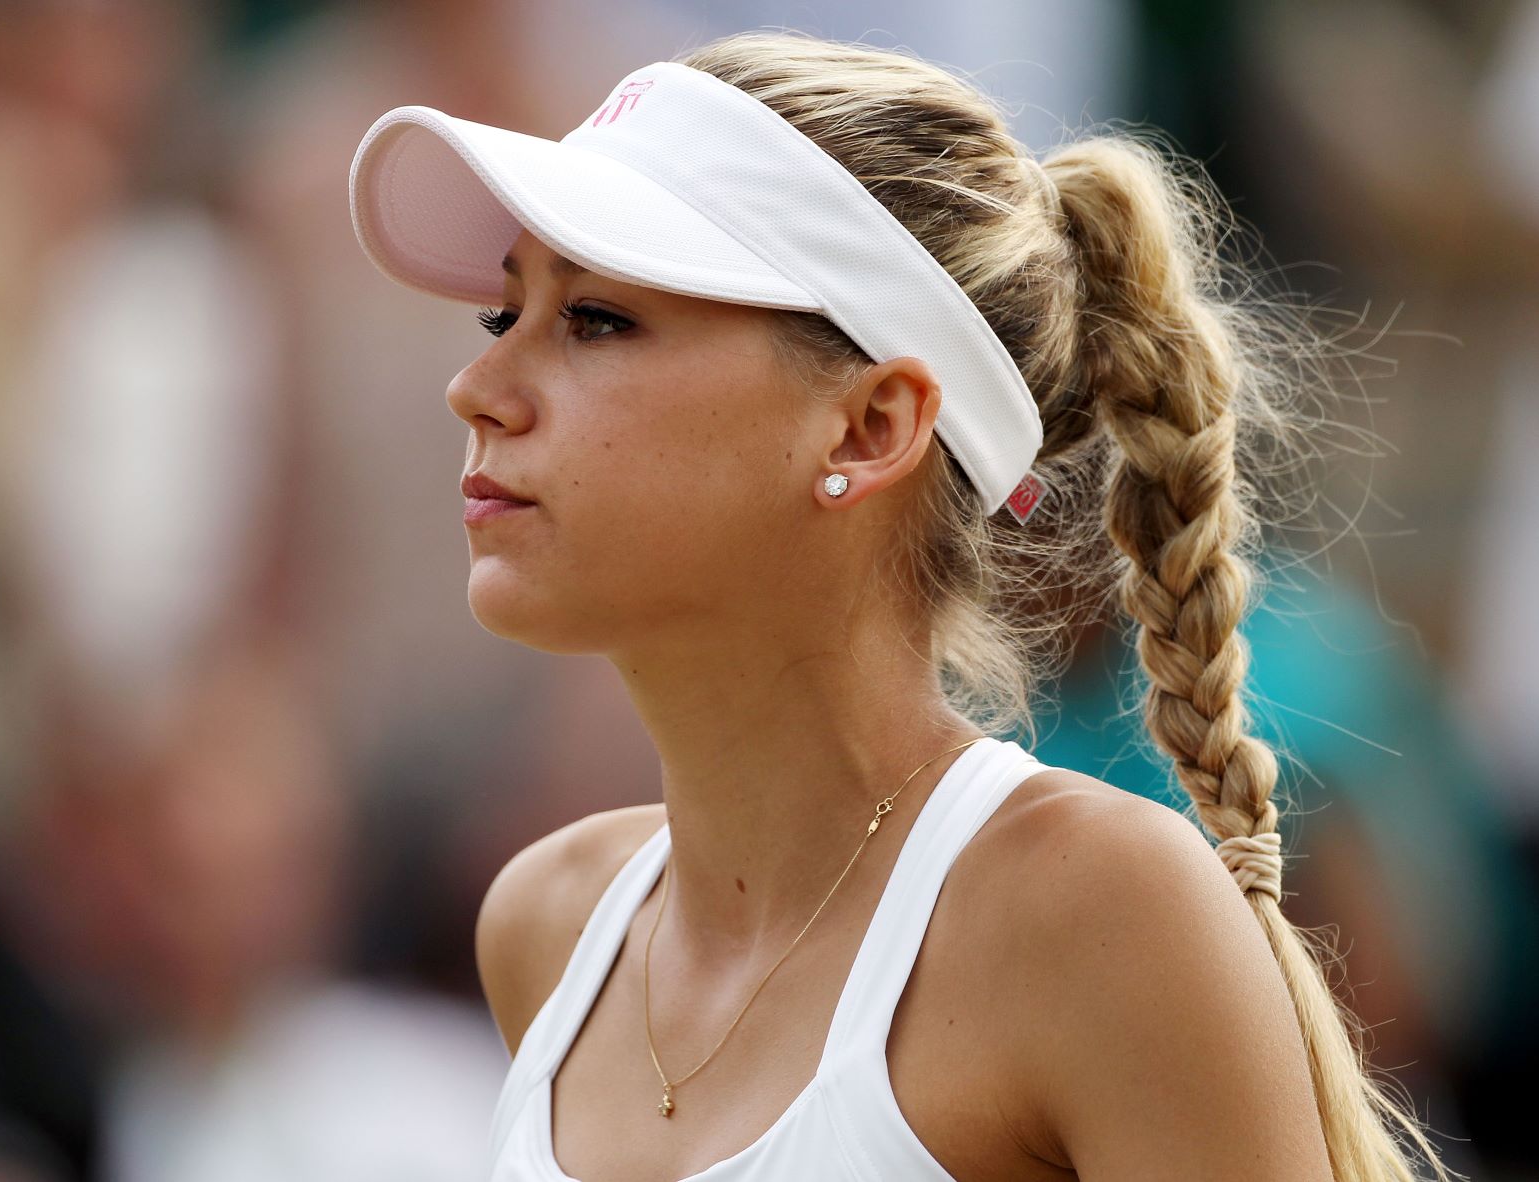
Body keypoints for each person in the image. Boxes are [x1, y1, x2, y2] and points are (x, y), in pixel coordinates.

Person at [344, 28, 1454, 1182]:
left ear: (870, 427)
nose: (477, 387)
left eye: (596, 318)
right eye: (504, 315)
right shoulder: (546, 925)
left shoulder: (1100, 915)